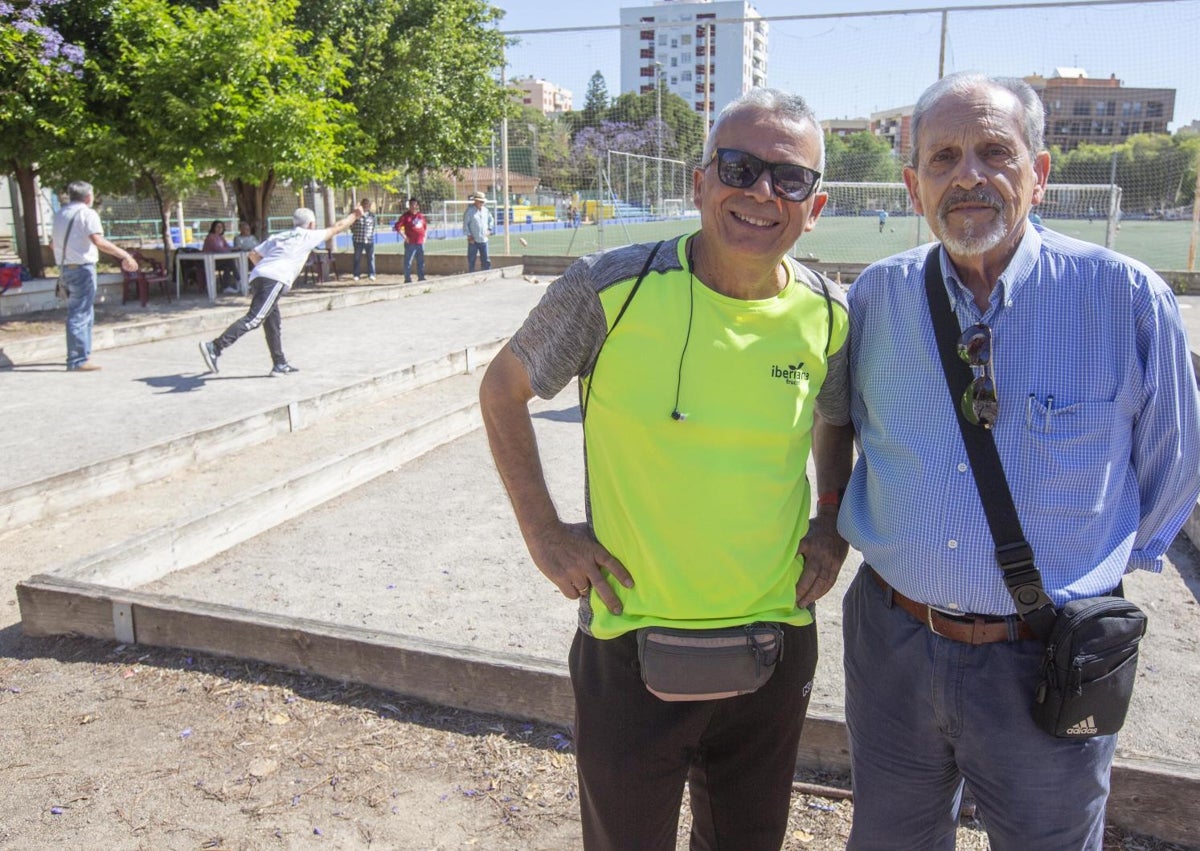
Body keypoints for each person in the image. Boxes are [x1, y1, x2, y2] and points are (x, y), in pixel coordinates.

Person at [479, 88, 853, 850]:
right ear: (699, 182)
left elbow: (836, 415)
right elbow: (503, 388)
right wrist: (543, 532)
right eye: (739, 167)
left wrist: (829, 521)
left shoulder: (829, 313)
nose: (760, 193)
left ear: (815, 207)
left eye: (789, 179)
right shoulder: (610, 289)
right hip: (630, 644)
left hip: (775, 643)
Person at [839, 71, 1200, 850]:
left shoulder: (1127, 297)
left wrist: (1086, 579)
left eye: (994, 151)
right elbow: (851, 430)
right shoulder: (874, 300)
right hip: (892, 647)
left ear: (1039, 173)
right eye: (943, 158)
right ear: (914, 185)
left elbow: (1174, 465)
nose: (967, 174)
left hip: (1047, 655)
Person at [198, 205, 363, 377]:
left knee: (272, 323)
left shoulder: (281, 236)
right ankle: (215, 347)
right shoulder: (308, 235)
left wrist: (266, 268)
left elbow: (253, 254)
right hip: (275, 279)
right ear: (311, 224)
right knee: (255, 319)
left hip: (259, 276)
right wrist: (355, 215)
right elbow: (338, 227)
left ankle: (279, 363)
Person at [51, 180, 138, 372]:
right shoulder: (87, 214)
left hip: (65, 268)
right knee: (80, 312)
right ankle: (78, 359)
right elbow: (98, 240)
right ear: (88, 196)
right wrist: (124, 255)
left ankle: (82, 353)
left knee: (81, 311)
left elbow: (52, 244)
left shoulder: (60, 214)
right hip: (82, 269)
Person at [394, 197, 427, 283]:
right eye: (411, 205)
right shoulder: (405, 216)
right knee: (408, 261)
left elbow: (425, 227)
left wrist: (424, 238)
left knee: (421, 261)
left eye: (415, 205)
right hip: (410, 243)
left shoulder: (420, 216)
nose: (413, 206)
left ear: (417, 206)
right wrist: (405, 237)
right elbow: (397, 227)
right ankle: (407, 279)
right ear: (409, 206)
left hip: (420, 243)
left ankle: (421, 277)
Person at [203, 220, 238, 294]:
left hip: (220, 260)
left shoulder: (221, 237)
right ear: (213, 228)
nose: (220, 229)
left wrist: (233, 248)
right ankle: (239, 280)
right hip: (210, 262)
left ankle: (227, 286)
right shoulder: (211, 237)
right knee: (229, 261)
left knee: (228, 263)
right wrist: (231, 249)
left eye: (221, 227)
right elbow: (218, 249)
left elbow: (227, 247)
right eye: (218, 227)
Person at [463, 191, 493, 272]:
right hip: (473, 240)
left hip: (484, 239)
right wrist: (469, 236)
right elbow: (465, 225)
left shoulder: (486, 210)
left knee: (486, 259)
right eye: (480, 201)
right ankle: (471, 274)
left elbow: (491, 220)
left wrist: (489, 229)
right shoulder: (469, 211)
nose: (482, 203)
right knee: (471, 260)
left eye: (483, 201)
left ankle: (487, 274)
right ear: (475, 201)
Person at [350, 197, 376, 281]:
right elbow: (351, 226)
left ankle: (371, 274)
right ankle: (356, 274)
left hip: (369, 240)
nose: (366, 206)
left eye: (367, 204)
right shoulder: (356, 215)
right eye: (364, 204)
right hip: (358, 240)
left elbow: (373, 227)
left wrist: (370, 235)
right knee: (357, 258)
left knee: (370, 258)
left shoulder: (372, 216)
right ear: (361, 205)